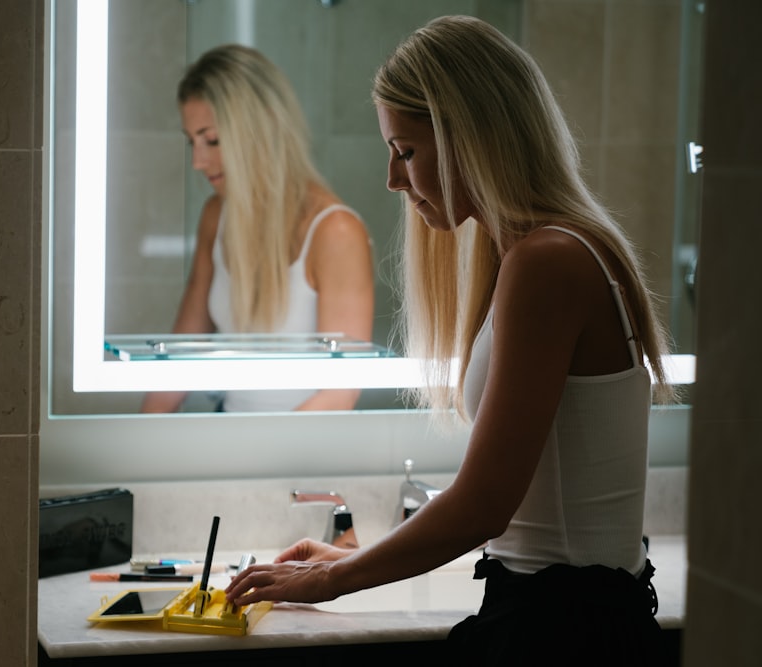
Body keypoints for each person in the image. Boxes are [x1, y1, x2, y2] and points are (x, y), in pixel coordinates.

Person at [225, 16, 675, 665]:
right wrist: (366, 554)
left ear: (472, 136)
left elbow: (483, 506)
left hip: (564, 631)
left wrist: (331, 579)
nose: (392, 179)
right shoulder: (545, 251)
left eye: (405, 151)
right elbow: (519, 509)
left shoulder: (548, 261)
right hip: (569, 613)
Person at [140, 44, 375, 414]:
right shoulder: (216, 216)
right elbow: (177, 361)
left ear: (261, 127)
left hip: (300, 453)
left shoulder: (335, 232)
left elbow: (340, 393)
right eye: (192, 142)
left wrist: (254, 455)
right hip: (232, 442)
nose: (198, 162)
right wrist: (136, 448)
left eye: (212, 139)